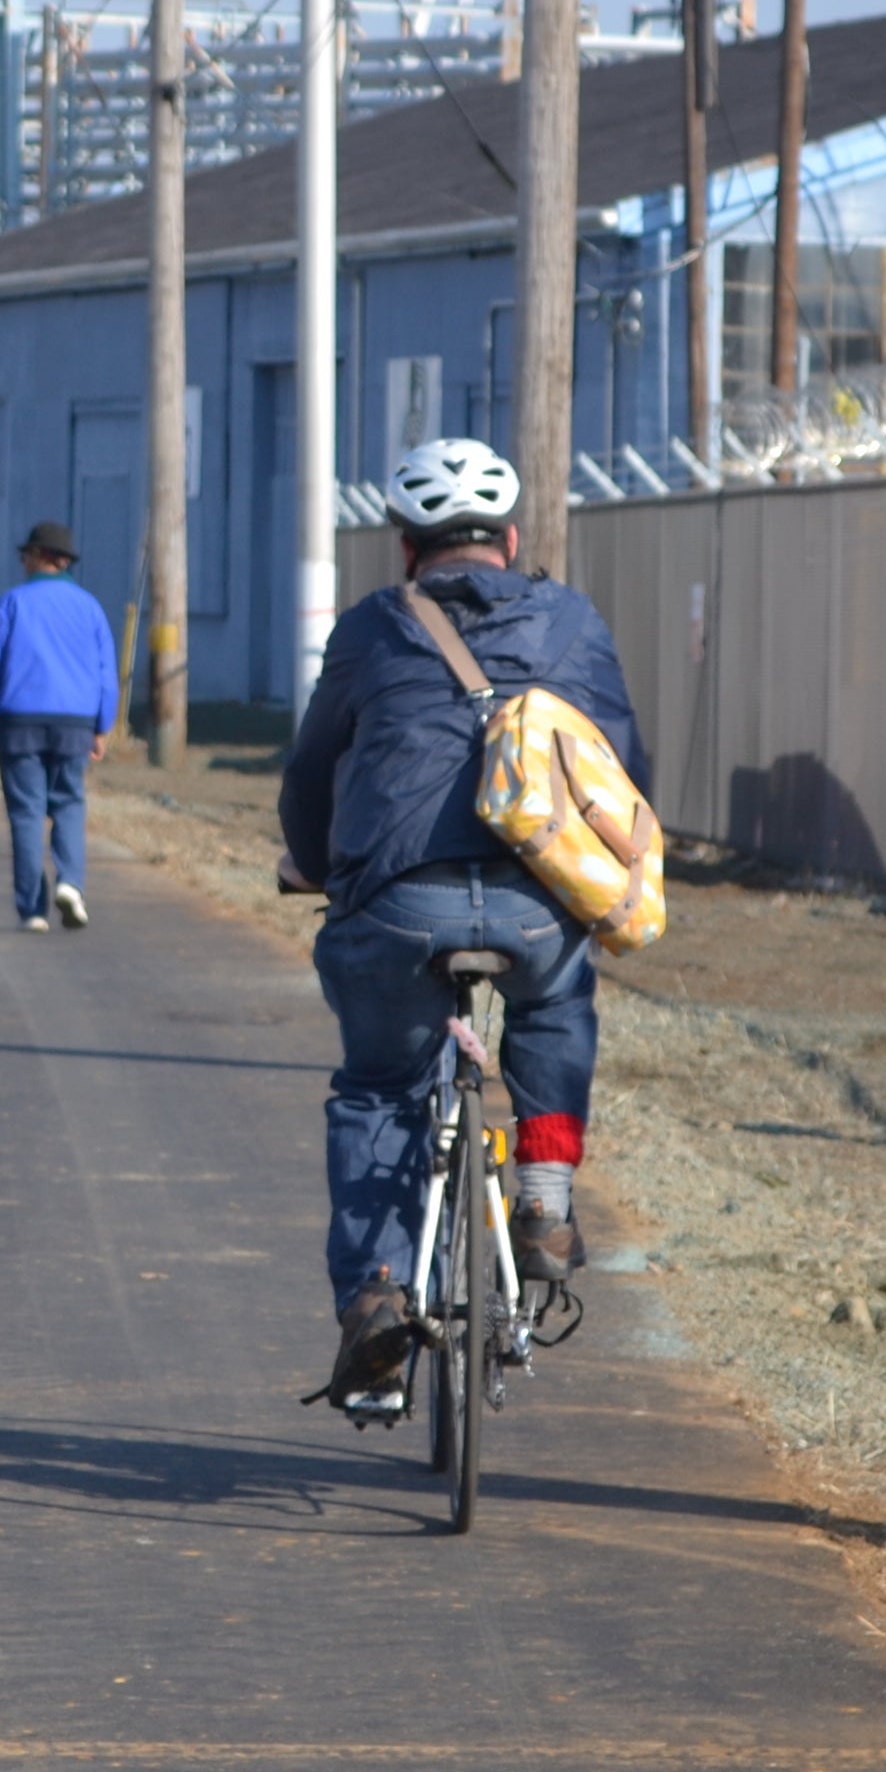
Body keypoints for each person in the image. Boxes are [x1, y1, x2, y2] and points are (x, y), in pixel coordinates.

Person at [275, 434, 646, 1412]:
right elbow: (622, 765)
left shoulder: (368, 629)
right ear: (514, 538)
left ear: (406, 549)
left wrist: (313, 863)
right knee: (558, 1002)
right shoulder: (571, 620)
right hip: (532, 904)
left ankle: (376, 1305)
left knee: (380, 1089)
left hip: (395, 905)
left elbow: (312, 770)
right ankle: (545, 1197)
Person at [0, 518, 119, 935]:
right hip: (75, 722)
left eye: (25, 554)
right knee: (68, 803)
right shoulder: (90, 607)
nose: (22, 561)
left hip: (18, 720)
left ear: (39, 557)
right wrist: (103, 725)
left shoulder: (11, 604)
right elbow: (105, 673)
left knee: (27, 813)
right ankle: (71, 883)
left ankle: (32, 910)